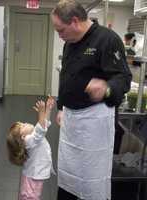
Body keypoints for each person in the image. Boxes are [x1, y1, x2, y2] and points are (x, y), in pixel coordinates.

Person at [51, 1, 132, 200]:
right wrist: (61, 107)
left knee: (92, 177)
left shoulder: (107, 40)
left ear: (75, 22)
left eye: (60, 30)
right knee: (68, 174)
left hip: (94, 121)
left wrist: (106, 89)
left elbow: (124, 78)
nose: (59, 35)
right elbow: (66, 76)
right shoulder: (70, 42)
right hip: (72, 120)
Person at [7, 97, 55, 200]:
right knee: (31, 197)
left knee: (29, 196)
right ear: (23, 137)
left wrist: (48, 110)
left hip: (33, 174)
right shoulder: (28, 141)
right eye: (23, 126)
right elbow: (41, 130)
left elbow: (44, 125)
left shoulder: (30, 137)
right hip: (34, 176)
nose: (26, 123)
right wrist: (41, 113)